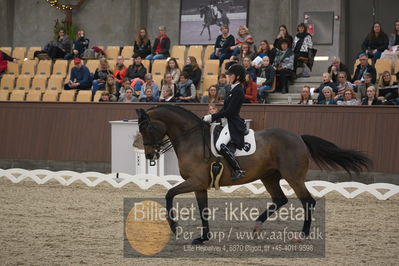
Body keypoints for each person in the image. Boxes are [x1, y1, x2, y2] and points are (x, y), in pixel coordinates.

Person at [202, 64, 247, 181]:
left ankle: (238, 170)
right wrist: (212, 118)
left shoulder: (238, 90)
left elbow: (230, 112)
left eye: (231, 75)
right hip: (226, 121)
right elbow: (225, 109)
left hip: (233, 122)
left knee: (219, 145)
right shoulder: (232, 89)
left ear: (237, 76)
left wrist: (212, 117)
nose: (229, 77)